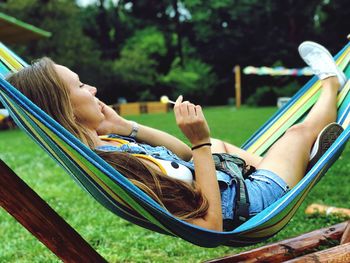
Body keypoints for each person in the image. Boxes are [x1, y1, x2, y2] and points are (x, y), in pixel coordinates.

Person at [6, 41, 346, 232]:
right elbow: (211, 225)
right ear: (63, 106)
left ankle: (287, 164)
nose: (93, 88)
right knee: (296, 132)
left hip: (225, 179)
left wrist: (125, 127)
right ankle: (330, 82)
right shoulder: (118, 171)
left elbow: (182, 155)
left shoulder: (108, 144)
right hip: (248, 204)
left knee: (220, 147)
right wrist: (200, 142)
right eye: (81, 86)